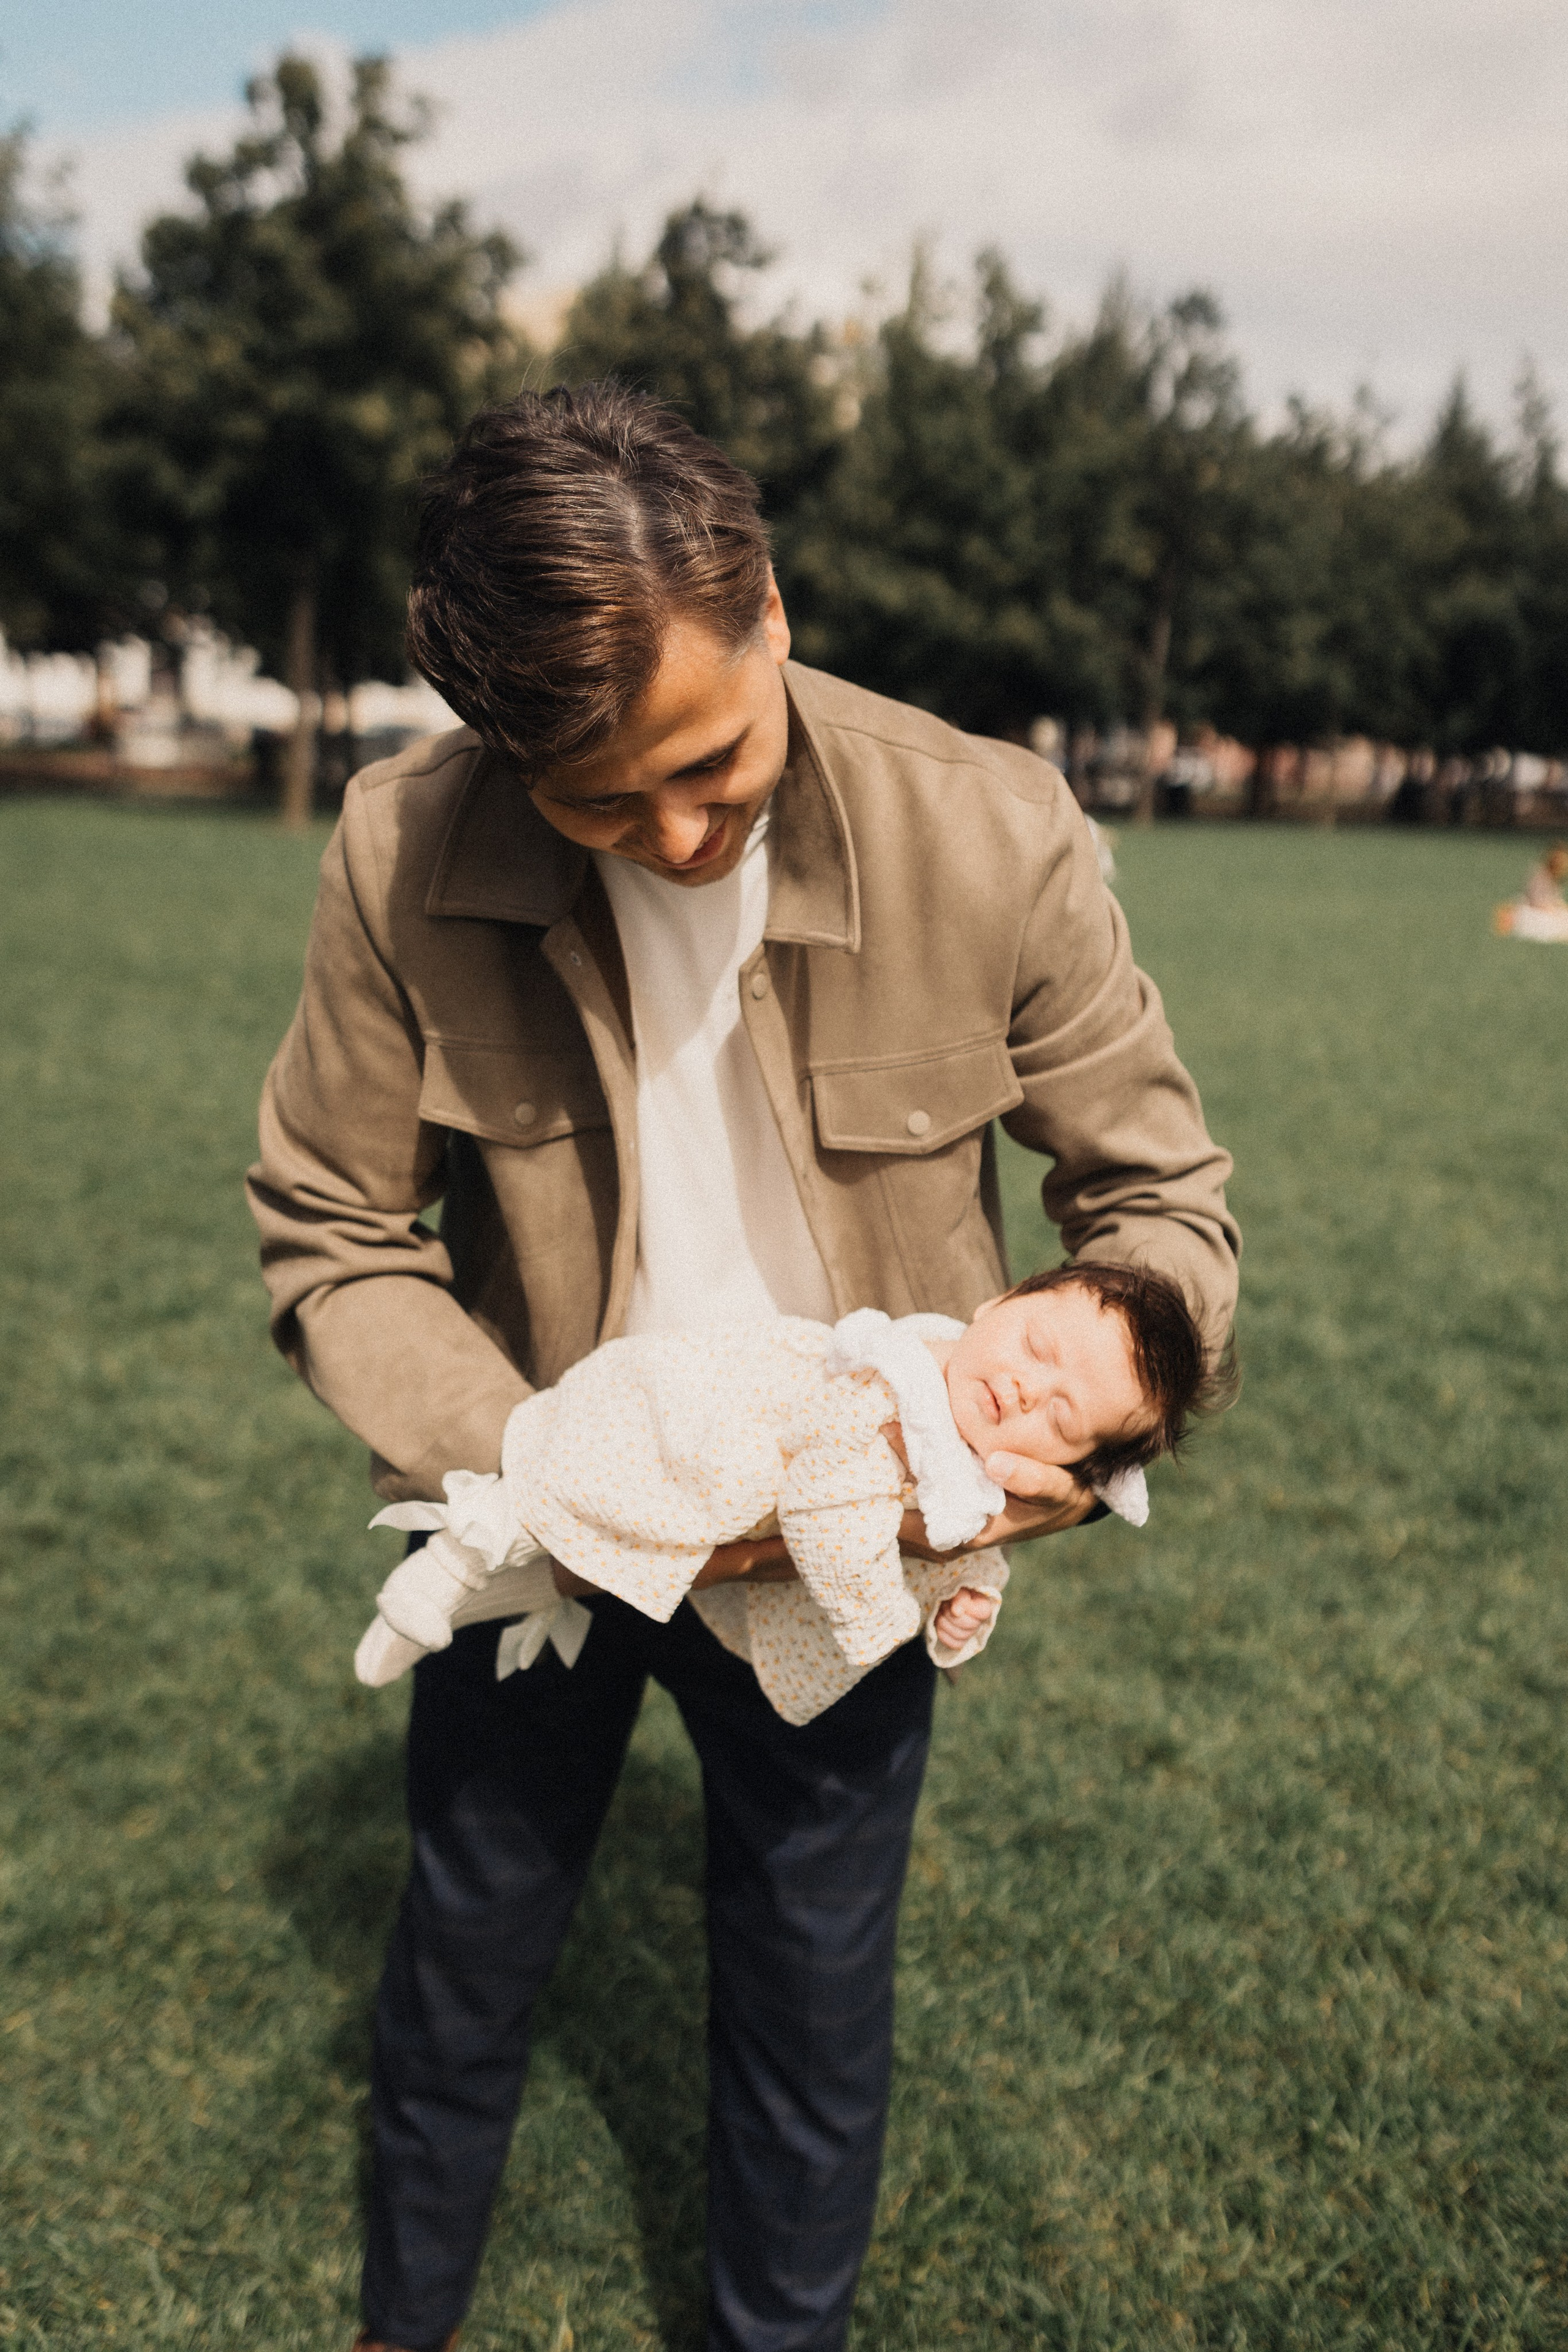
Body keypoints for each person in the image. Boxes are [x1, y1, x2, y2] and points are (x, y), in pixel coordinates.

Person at [247, 383, 1240, 2352]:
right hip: (538, 1514)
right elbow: (332, 1229)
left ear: (770, 608)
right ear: (500, 746)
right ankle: (400, 2319)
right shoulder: (396, 844)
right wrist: (548, 1473)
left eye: (713, 764)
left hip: (854, 1539)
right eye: (600, 804)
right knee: (465, 1941)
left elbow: (1161, 1204)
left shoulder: (993, 826)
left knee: (808, 1991)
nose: (682, 837)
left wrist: (1079, 1433)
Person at [352, 1262, 1215, 1725]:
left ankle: (458, 1601)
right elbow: (824, 1511)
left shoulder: (971, 1457)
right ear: (997, 1302)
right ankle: (449, 1563)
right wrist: (880, 1621)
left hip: (734, 1556)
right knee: (568, 1503)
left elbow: (967, 1539)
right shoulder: (895, 1389)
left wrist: (964, 1605)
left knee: (582, 1569)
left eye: (1062, 1417)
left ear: (1075, 1470)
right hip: (679, 1437)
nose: (1029, 1388)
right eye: (1037, 1347)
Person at [1494, 842, 1568, 941]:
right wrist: (1553, 912)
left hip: (1546, 911)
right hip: (1532, 911)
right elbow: (1536, 901)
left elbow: (1555, 900)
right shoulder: (1540, 875)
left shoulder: (1554, 878)